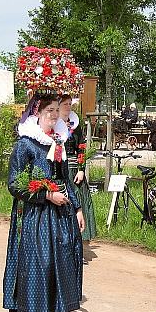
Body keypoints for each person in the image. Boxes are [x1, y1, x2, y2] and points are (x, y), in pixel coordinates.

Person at [3, 92, 85, 312]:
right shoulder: (25, 144)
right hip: (36, 215)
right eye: (49, 111)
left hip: (61, 214)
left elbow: (65, 179)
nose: (54, 115)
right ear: (36, 113)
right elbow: (15, 185)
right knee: (41, 264)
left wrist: (78, 208)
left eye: (56, 110)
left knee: (61, 264)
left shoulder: (58, 141)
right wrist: (47, 196)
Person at [59, 95, 97, 243]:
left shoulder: (75, 125)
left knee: (79, 201)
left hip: (74, 169)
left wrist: (81, 169)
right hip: (60, 167)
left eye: (70, 104)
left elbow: (81, 148)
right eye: (65, 104)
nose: (68, 107)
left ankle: (79, 238)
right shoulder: (54, 124)